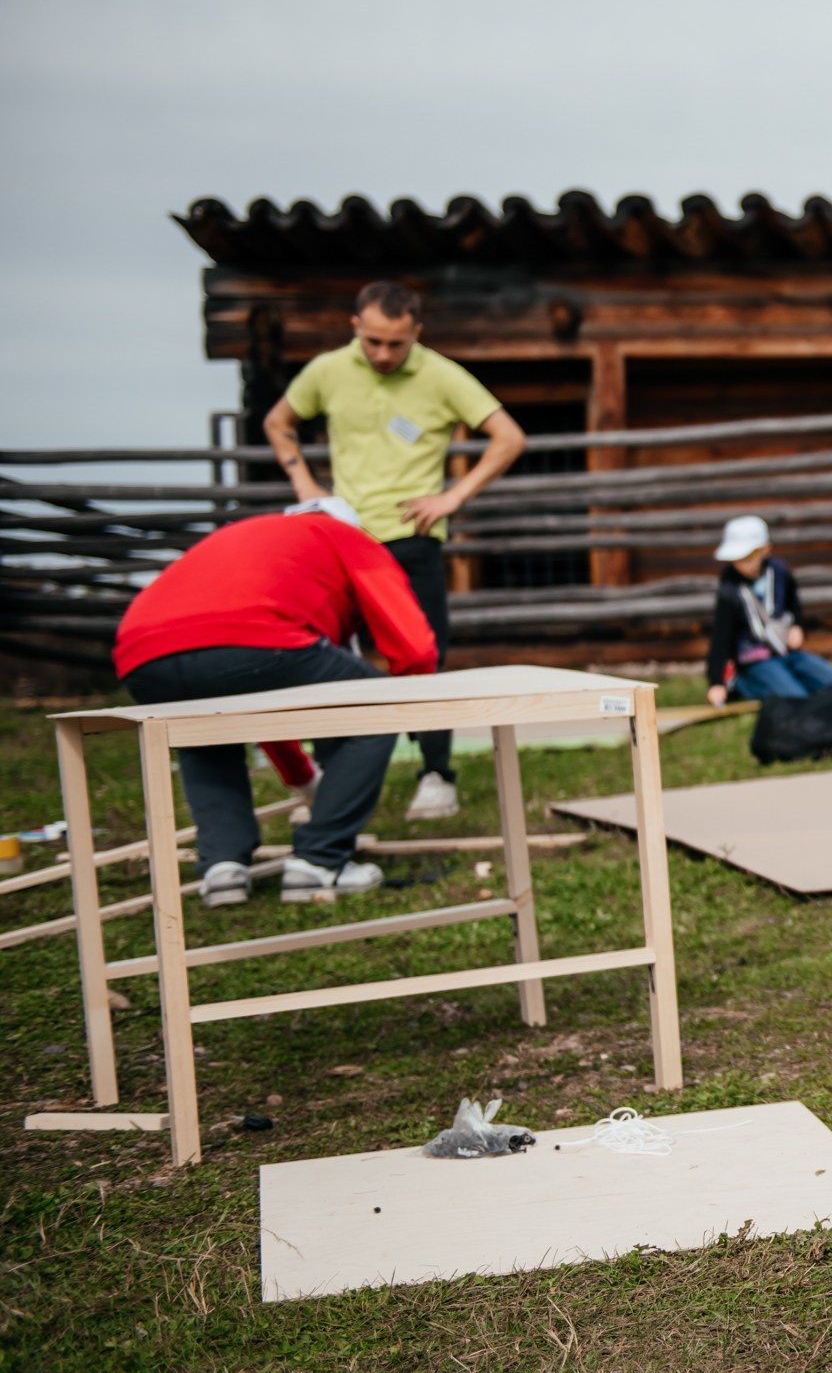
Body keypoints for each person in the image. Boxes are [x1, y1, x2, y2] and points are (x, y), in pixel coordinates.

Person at [263, 281, 526, 822]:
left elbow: (508, 436)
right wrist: (305, 488)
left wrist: (453, 496)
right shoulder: (327, 370)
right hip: (342, 538)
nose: (383, 354)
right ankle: (329, 779)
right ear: (355, 325)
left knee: (421, 654)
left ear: (416, 334)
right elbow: (278, 423)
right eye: (374, 341)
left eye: (396, 344)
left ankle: (435, 775)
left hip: (411, 538)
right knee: (331, 658)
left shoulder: (441, 374)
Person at [112, 500, 438, 906]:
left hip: (141, 654)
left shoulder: (252, 536)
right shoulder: (348, 538)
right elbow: (416, 648)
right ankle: (321, 861)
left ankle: (223, 868)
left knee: (204, 732)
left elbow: (261, 701)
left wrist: (303, 780)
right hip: (255, 640)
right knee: (376, 706)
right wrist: (412, 708)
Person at [704, 515, 832, 706]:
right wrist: (716, 682)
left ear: (765, 550)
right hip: (754, 661)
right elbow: (721, 636)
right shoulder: (729, 589)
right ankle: (741, 685)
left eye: (747, 558)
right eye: (736, 559)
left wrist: (797, 626)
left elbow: (793, 604)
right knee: (795, 698)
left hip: (785, 652)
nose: (740, 565)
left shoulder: (780, 571)